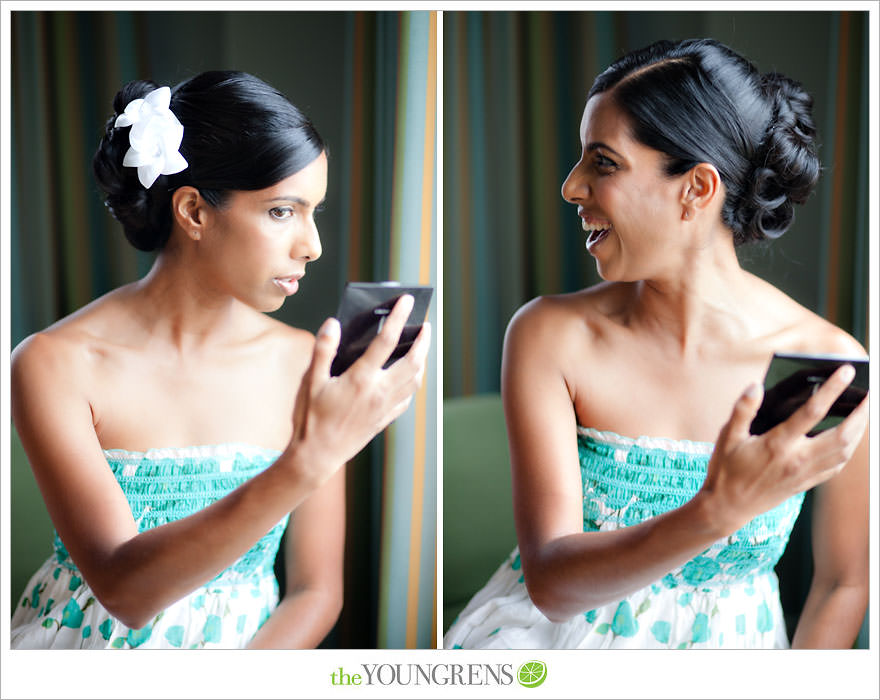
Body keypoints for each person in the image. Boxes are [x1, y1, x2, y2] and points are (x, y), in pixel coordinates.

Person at [443, 38, 868, 649]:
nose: (571, 187)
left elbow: (844, 582)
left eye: (603, 162)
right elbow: (553, 585)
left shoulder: (829, 364)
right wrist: (714, 512)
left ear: (696, 188)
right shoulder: (548, 335)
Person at [10, 71, 430, 649]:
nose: (313, 246)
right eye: (283, 211)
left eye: (315, 212)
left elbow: (315, 592)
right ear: (194, 212)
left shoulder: (302, 362)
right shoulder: (53, 364)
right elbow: (125, 591)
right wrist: (311, 458)